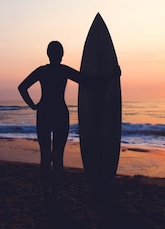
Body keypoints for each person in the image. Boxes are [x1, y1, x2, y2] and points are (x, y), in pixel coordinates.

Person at [18, 40, 119, 205]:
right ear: (61, 55)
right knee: (58, 155)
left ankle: (45, 194)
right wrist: (110, 76)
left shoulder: (42, 71)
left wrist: (33, 105)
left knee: (45, 156)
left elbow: (22, 87)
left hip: (44, 113)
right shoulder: (63, 70)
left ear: (48, 54)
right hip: (59, 113)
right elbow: (88, 81)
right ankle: (55, 194)